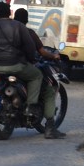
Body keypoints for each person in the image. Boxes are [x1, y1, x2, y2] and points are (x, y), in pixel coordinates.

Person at [0, 1, 42, 120]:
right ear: (10, 13)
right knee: (37, 76)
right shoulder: (19, 26)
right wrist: (32, 60)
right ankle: (31, 106)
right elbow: (30, 47)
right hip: (15, 65)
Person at [14, 8, 66, 138]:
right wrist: (54, 56)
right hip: (22, 67)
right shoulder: (28, 32)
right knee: (47, 91)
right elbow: (41, 52)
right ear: (26, 20)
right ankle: (49, 127)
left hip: (3, 66)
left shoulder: (7, 31)